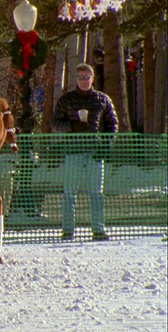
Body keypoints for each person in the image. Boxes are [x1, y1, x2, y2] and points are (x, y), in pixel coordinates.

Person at [52, 63, 118, 241]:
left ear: (92, 79)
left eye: (86, 77)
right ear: (76, 79)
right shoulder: (66, 100)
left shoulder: (102, 99)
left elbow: (112, 124)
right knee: (69, 193)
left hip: (94, 152)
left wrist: (106, 146)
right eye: (80, 77)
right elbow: (55, 123)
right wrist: (72, 126)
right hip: (73, 151)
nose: (83, 81)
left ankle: (98, 230)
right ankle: (67, 231)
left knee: (96, 193)